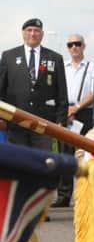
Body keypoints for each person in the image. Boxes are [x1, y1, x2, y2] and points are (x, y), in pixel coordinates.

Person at [0, 18, 68, 150]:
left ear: (42, 34)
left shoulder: (54, 57)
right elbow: (1, 90)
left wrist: (60, 121)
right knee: (18, 164)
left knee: (41, 165)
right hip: (16, 123)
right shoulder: (9, 56)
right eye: (29, 30)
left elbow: (61, 93)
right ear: (23, 33)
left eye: (37, 31)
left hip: (44, 124)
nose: (33, 34)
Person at [53, 33, 94, 208]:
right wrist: (65, 110)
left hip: (84, 112)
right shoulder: (62, 67)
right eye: (70, 45)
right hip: (65, 112)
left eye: (77, 44)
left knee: (85, 155)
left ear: (83, 46)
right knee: (65, 154)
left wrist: (76, 108)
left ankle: (85, 193)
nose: (74, 48)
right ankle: (64, 195)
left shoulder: (93, 67)